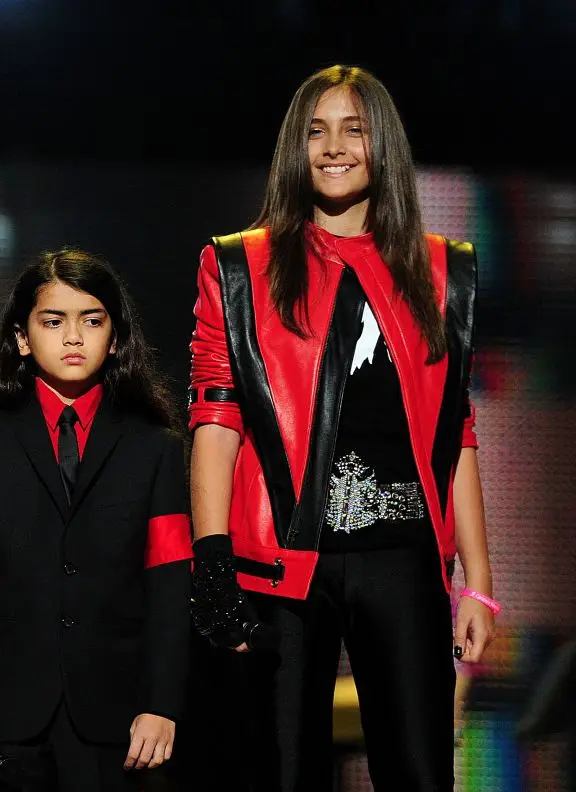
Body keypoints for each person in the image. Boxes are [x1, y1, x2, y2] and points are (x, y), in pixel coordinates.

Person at [186, 65, 497, 791]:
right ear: (296, 148)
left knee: (421, 774)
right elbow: (215, 418)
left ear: (381, 144)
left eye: (353, 130)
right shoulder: (239, 266)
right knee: (284, 773)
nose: (333, 147)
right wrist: (211, 559)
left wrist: (476, 580)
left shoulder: (445, 270)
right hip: (283, 564)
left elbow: (459, 429)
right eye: (315, 131)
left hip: (405, 558)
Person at [0, 248, 192, 792]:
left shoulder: (158, 450)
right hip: (6, 714)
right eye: (53, 322)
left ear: (117, 336)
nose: (73, 338)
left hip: (119, 716)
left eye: (92, 321)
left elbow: (169, 585)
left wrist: (161, 704)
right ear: (22, 338)